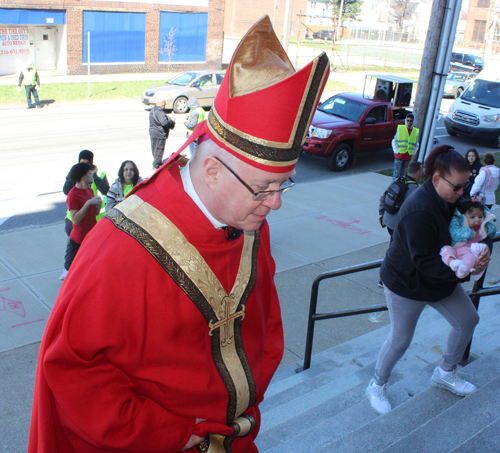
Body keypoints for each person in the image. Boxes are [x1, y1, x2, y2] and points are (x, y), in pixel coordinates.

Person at [29, 15, 330, 453]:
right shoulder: (120, 248)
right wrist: (173, 433)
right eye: (263, 188)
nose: (276, 202)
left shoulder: (248, 217)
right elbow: (73, 370)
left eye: (282, 184)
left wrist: (249, 392)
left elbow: (264, 318)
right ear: (211, 170)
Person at [367, 145, 491, 416]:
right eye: (457, 187)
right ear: (436, 179)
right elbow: (423, 261)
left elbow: (475, 223)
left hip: (441, 278)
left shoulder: (452, 199)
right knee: (400, 340)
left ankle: (445, 372)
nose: (462, 193)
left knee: (468, 320)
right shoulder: (418, 210)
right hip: (406, 284)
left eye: (465, 185)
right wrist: (466, 271)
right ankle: (377, 384)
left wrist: (483, 249)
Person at [60, 150, 109, 280]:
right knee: (70, 272)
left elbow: (96, 213)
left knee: (90, 269)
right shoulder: (73, 195)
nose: (92, 175)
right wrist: (88, 203)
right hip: (78, 239)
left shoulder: (88, 190)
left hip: (91, 236)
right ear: (84, 178)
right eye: (89, 173)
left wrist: (97, 203)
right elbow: (75, 220)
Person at [377, 161, 422, 287]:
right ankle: (384, 278)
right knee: (395, 250)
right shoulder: (415, 190)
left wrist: (382, 213)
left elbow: (383, 197)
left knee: (395, 247)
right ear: (419, 172)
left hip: (388, 220)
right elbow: (411, 212)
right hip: (398, 225)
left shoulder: (398, 181)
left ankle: (390, 275)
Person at [440, 199, 496, 278]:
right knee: (446, 249)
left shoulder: (481, 230)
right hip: (456, 249)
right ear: (464, 217)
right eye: (472, 217)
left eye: (480, 217)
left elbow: (493, 230)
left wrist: (487, 229)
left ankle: (462, 271)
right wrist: (469, 233)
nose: (477, 220)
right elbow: (454, 233)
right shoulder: (461, 226)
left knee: (470, 259)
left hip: (469, 252)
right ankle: (452, 262)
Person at [150, 98, 176, 170]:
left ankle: (157, 162)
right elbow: (164, 123)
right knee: (159, 149)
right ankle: (156, 165)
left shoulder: (152, 110)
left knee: (155, 149)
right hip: (159, 133)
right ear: (163, 105)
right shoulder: (160, 112)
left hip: (153, 132)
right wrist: (172, 121)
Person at [392, 114, 419, 179]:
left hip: (408, 156)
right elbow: (394, 141)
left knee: (402, 173)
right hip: (399, 155)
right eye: (408, 120)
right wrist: (396, 150)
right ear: (405, 121)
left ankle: (399, 186)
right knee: (397, 173)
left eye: (411, 121)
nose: (409, 122)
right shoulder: (401, 128)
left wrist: (414, 152)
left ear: (413, 121)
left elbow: (416, 143)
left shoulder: (415, 131)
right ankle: (393, 186)